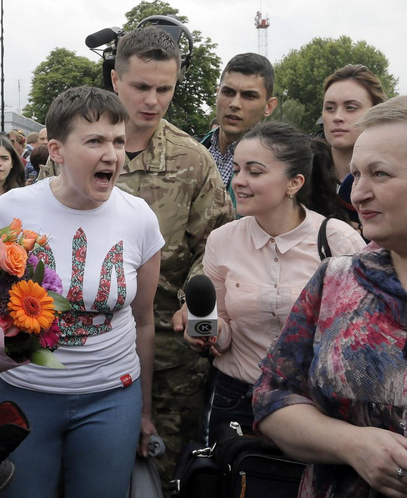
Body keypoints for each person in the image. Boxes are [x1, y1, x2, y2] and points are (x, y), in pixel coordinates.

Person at [0, 86, 164, 498]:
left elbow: (144, 320)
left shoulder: (139, 218)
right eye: (95, 141)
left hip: (113, 399)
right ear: (57, 150)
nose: (112, 155)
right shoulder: (10, 211)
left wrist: (145, 410)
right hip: (26, 394)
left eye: (118, 141)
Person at [254, 95, 407, 498]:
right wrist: (352, 445)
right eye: (356, 175)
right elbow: (272, 397)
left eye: (380, 174)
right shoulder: (336, 279)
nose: (358, 195)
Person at [180, 122, 365, 440]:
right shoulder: (222, 240)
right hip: (236, 399)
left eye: (254, 171)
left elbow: (361, 337)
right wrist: (206, 333)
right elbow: (222, 335)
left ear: (294, 182)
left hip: (313, 408)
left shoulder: (338, 241)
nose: (239, 181)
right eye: (237, 169)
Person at [110, 26, 234, 480]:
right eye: (141, 86)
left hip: (169, 356)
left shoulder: (191, 160)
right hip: (93, 347)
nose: (153, 100)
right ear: (115, 81)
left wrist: (191, 300)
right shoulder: (82, 152)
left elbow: (218, 244)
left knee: (164, 475)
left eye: (165, 88)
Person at [200, 53, 278, 190]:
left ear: (269, 106)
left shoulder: (279, 166)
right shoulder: (191, 152)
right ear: (217, 95)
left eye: (249, 96)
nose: (235, 104)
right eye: (228, 92)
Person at [322, 64, 388, 182]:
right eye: (330, 108)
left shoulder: (398, 176)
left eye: (351, 107)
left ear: (376, 111)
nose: (337, 117)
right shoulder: (297, 175)